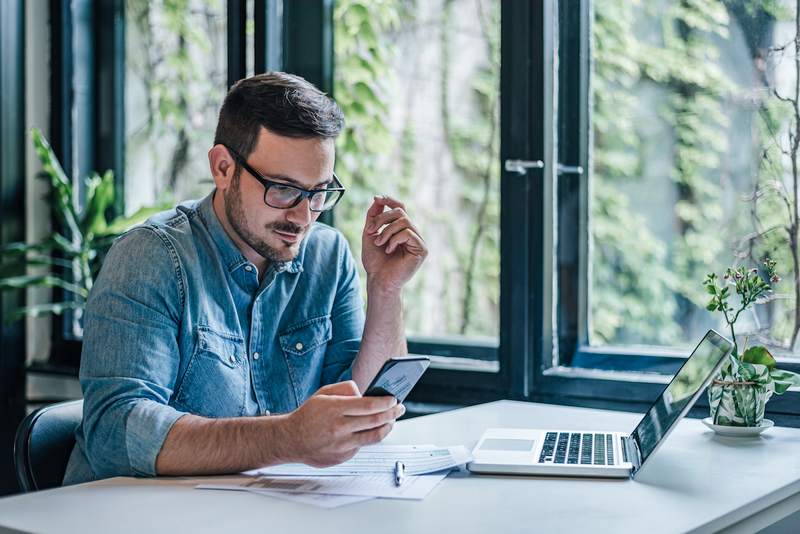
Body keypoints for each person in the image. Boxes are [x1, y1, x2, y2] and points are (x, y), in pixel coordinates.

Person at [63, 72, 427, 484]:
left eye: (319, 192)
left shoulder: (328, 256)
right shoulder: (152, 257)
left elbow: (354, 406)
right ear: (222, 168)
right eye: (284, 189)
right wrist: (287, 437)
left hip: (255, 511)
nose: (303, 216)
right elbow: (117, 432)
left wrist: (386, 288)